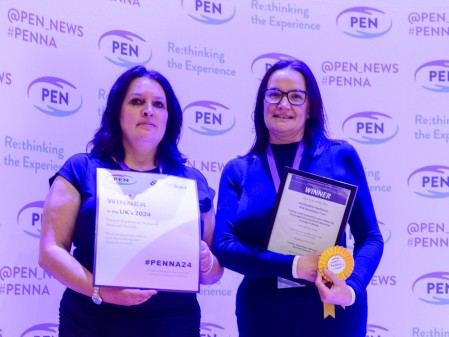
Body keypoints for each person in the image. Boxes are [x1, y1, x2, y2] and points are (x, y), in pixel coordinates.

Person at [38, 65, 223, 337]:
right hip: (93, 322)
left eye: (158, 104)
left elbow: (214, 273)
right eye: (137, 101)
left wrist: (207, 261)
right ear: (118, 112)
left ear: (169, 118)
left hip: (174, 326)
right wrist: (99, 291)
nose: (148, 110)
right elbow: (50, 252)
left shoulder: (192, 182)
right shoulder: (81, 169)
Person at [213, 59, 383, 337]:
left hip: (331, 310)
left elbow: (371, 237)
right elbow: (224, 245)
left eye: (296, 96)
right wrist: (294, 266)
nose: (283, 104)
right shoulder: (239, 170)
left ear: (310, 107)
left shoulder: (340, 157)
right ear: (262, 103)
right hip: (264, 314)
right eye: (274, 94)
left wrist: (353, 288)